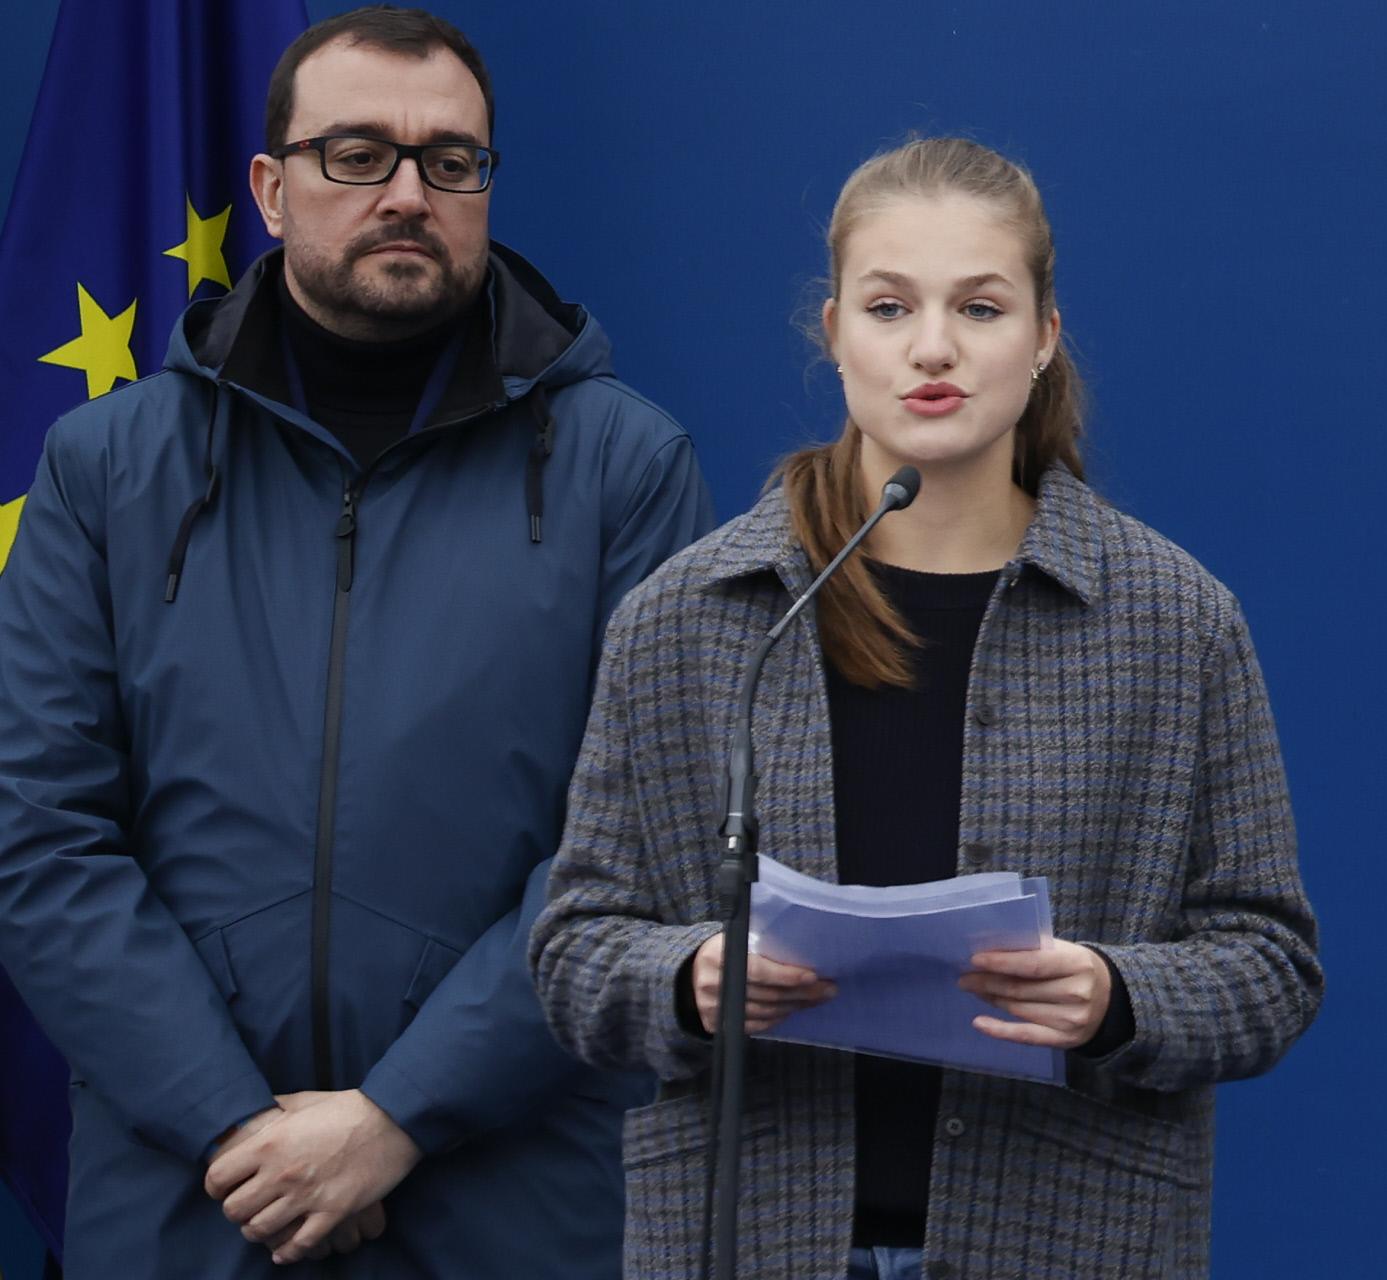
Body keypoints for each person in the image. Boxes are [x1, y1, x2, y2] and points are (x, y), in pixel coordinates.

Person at [530, 137, 1322, 1280]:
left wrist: (1113, 993)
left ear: (1046, 336)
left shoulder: (1174, 620)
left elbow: (1272, 961)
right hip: (755, 1234)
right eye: (891, 306)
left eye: (982, 307)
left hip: (1069, 1237)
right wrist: (689, 975)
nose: (933, 347)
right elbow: (571, 949)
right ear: (836, 330)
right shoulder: (689, 614)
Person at [0, 8, 712, 1277]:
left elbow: (642, 847)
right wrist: (241, 1128)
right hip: (191, 1204)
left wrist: (396, 1118)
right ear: (270, 189)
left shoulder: (624, 465)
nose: (406, 192)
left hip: (516, 1206)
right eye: (356, 155)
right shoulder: (106, 466)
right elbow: (39, 833)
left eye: (451, 161)